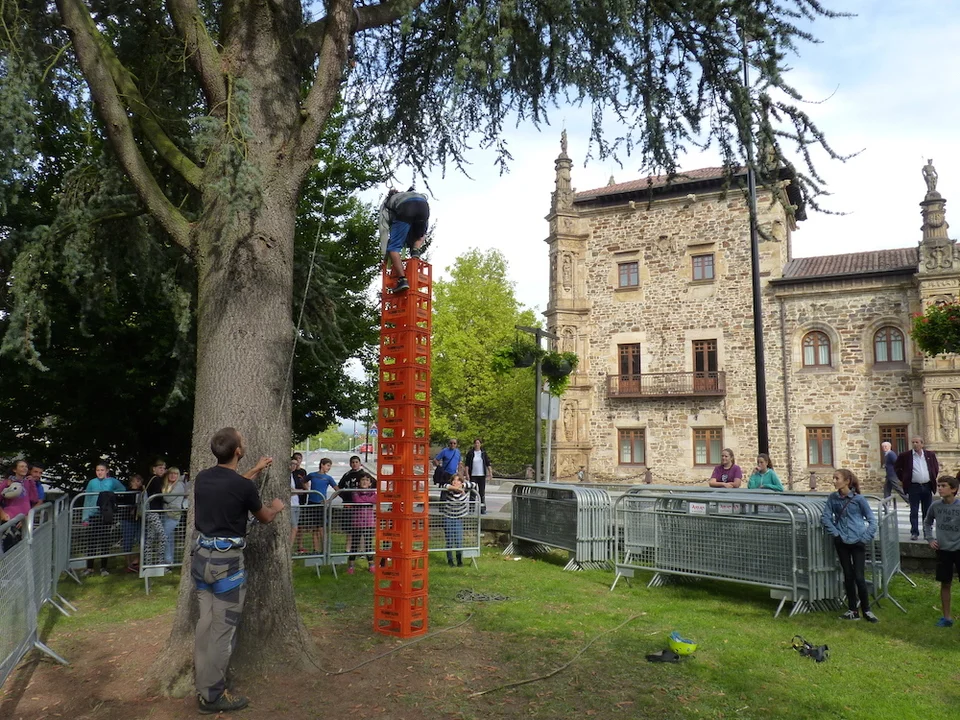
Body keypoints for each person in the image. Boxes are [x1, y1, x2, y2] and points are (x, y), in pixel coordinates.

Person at [192, 427, 283, 715]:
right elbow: (264, 517)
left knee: (205, 626)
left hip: (201, 560)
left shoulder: (203, 478)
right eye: (242, 441)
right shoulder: (243, 487)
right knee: (222, 631)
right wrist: (276, 507)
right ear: (238, 452)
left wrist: (255, 469)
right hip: (226, 564)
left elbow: (232, 486)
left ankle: (203, 682)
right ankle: (212, 695)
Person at [821, 469, 879, 622]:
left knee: (859, 576)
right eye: (833, 478)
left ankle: (866, 610)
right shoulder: (833, 498)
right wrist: (836, 534)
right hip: (842, 541)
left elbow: (872, 521)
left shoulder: (859, 499)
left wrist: (864, 538)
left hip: (858, 541)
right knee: (848, 575)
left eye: (837, 478)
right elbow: (826, 517)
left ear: (847, 481)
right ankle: (852, 610)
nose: (834, 481)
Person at [923, 475, 960, 627]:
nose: (940, 488)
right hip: (943, 550)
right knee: (945, 583)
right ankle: (946, 618)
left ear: (954, 489)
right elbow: (927, 522)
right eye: (939, 485)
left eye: (943, 486)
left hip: (959, 549)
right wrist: (930, 539)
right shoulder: (935, 506)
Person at [379, 187, 430, 292]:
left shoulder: (386, 205)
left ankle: (402, 280)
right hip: (424, 206)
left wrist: (384, 256)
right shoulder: (408, 195)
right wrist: (417, 242)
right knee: (421, 234)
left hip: (406, 208)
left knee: (393, 248)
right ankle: (415, 250)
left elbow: (383, 230)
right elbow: (424, 229)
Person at [80, 462, 126, 576]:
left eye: (102, 470)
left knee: (105, 541)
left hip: (106, 514)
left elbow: (122, 489)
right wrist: (85, 517)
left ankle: (104, 567)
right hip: (93, 514)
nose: (100, 472)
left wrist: (111, 495)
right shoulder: (92, 482)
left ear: (107, 471)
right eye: (97, 470)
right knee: (91, 542)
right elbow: (87, 498)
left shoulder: (112, 481)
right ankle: (89, 567)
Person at [894, 436, 939, 540]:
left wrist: (931, 477)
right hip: (914, 487)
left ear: (922, 444)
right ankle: (914, 532)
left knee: (927, 511)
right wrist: (904, 478)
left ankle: (927, 532)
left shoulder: (930, 455)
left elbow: (935, 468)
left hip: (927, 486)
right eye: (913, 442)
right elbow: (897, 468)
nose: (915, 444)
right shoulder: (905, 455)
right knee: (914, 510)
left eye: (917, 442)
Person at [439, 474, 476, 567]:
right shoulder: (449, 490)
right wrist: (456, 488)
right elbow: (444, 485)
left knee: (458, 541)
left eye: (458, 480)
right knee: (449, 541)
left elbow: (474, 484)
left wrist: (462, 486)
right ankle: (450, 560)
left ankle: (459, 560)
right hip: (448, 518)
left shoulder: (465, 489)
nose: (456, 482)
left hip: (458, 519)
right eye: (454, 480)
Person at [304, 458, 338, 553]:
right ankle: (316, 549)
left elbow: (337, 490)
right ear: (322, 465)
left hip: (321, 504)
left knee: (321, 528)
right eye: (327, 465)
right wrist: (308, 490)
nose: (329, 468)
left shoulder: (328, 478)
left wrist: (329, 500)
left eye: (330, 466)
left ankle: (325, 549)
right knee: (314, 528)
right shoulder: (312, 475)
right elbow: (303, 481)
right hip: (311, 502)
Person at [347, 473, 377, 574]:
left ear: (370, 483)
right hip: (357, 522)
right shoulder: (355, 491)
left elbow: (375, 499)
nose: (364, 482)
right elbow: (357, 500)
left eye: (367, 480)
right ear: (359, 482)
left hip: (369, 522)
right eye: (363, 480)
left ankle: (371, 565)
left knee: (368, 544)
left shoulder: (373, 492)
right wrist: (367, 501)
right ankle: (351, 566)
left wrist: (365, 500)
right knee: (355, 544)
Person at [119, 474, 145, 572]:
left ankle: (137, 561)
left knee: (141, 540)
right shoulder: (128, 492)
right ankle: (128, 564)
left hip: (139, 519)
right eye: (136, 481)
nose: (138, 483)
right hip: (128, 519)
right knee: (127, 542)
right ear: (132, 482)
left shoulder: (142, 492)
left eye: (140, 481)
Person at [161, 467, 186, 566]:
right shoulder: (168, 485)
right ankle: (169, 560)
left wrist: (162, 493)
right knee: (169, 538)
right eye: (171, 473)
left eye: (175, 474)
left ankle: (167, 561)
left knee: (164, 536)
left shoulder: (179, 485)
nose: (173, 476)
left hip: (174, 514)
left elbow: (168, 498)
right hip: (166, 513)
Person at [463, 438, 493, 514]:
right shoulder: (470, 453)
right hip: (473, 475)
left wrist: (490, 473)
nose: (477, 444)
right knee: (473, 492)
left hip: (481, 475)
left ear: (480, 444)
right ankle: (471, 509)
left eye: (478, 443)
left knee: (482, 492)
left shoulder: (483, 453)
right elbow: (467, 465)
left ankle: (482, 509)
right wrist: (467, 474)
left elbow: (488, 463)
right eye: (475, 443)